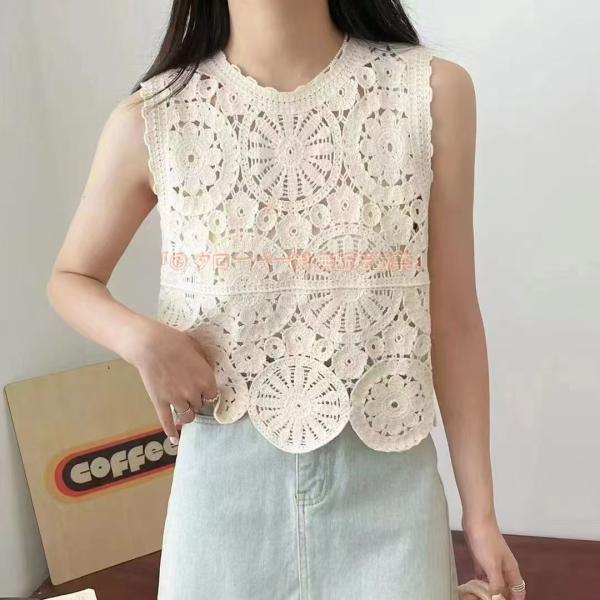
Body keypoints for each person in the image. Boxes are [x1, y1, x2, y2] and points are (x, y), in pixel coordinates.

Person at [46, 1, 526, 599]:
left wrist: (481, 515)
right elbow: (71, 277)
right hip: (221, 501)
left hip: (389, 497)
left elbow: (453, 320)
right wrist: (143, 340)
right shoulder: (156, 117)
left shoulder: (428, 94)